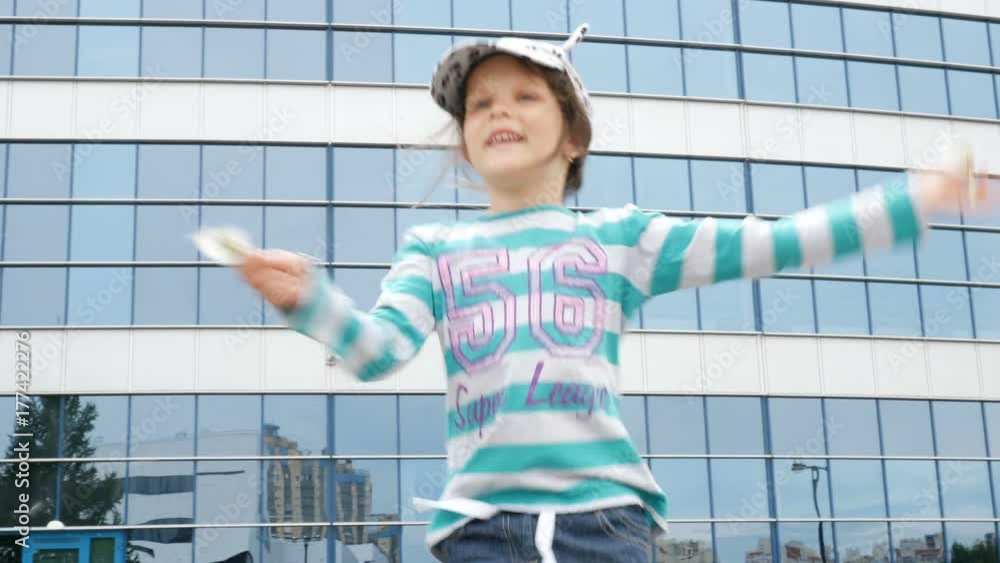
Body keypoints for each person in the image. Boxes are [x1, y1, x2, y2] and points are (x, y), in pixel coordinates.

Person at [237, 24, 991, 563]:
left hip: (604, 524)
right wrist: (309, 300)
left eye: (525, 96)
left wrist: (912, 200)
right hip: (479, 530)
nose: (499, 111)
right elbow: (377, 351)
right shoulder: (433, 249)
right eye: (480, 105)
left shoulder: (622, 237)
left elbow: (777, 240)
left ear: (574, 137)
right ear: (465, 140)